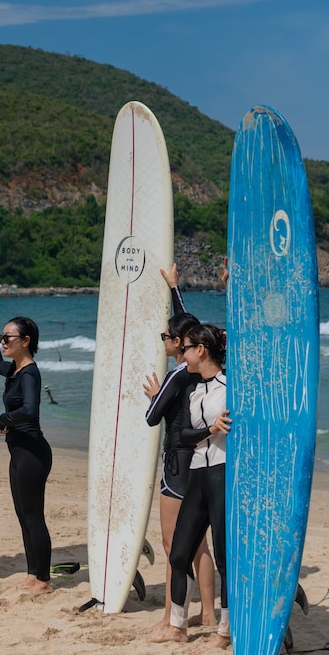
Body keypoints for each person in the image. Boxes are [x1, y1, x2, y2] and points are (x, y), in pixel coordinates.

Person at [143, 265, 217, 630]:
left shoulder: (175, 374)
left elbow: (151, 418)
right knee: (198, 543)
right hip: (200, 459)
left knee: (175, 545)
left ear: (177, 343)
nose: (165, 339)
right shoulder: (198, 368)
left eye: (165, 337)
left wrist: (157, 397)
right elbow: (190, 325)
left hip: (176, 463)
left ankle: (171, 619)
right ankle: (208, 612)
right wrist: (175, 289)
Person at [150, 323, 231, 647]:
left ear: (202, 350)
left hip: (224, 475)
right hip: (197, 475)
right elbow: (183, 435)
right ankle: (177, 627)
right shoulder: (195, 390)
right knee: (179, 554)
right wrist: (209, 429)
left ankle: (225, 631)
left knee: (224, 559)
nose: (181, 353)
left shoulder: (231, 386)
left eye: (186, 348)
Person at [0, 303, 53, 595]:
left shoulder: (30, 374)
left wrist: (3, 418)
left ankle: (44, 581)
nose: (3, 342)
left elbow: (30, 410)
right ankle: (33, 574)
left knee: (34, 515)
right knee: (23, 514)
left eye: (8, 337)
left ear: (25, 341)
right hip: (19, 451)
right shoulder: (13, 369)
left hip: (32, 452)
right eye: (2, 336)